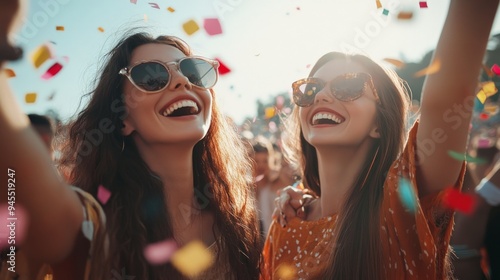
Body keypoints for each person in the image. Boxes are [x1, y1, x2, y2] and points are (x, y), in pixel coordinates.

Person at [0, 6, 261, 279]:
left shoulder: (237, 222)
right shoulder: (95, 226)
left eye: (194, 72)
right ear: (123, 119)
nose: (183, 81)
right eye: (152, 76)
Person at [261, 0, 499, 279]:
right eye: (310, 88)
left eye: (348, 86)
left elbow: (448, 98)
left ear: (379, 124)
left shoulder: (404, 203)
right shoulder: (287, 222)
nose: (321, 96)